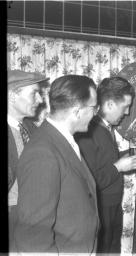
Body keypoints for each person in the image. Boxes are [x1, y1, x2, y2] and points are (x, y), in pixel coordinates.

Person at [14, 75, 99, 253]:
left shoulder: (62, 140)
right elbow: (33, 236)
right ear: (77, 111)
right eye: (93, 107)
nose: (95, 113)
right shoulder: (43, 153)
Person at [76, 77, 136, 254]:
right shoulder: (87, 131)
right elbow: (91, 180)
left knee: (112, 248)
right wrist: (119, 167)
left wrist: (131, 154)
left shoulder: (103, 127)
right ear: (110, 104)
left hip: (112, 204)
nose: (127, 112)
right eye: (125, 107)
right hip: (100, 206)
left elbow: (105, 160)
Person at [7, 69, 48, 251]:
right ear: (12, 96)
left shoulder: (31, 128)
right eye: (34, 94)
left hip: (32, 213)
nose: (40, 100)